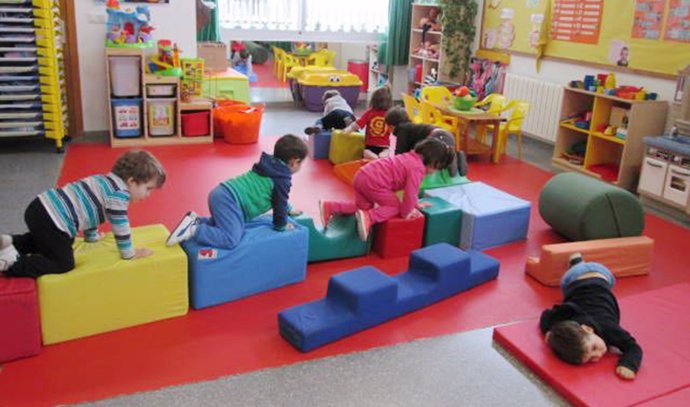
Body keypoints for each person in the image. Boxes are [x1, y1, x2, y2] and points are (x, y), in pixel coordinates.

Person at [0, 150, 166, 278]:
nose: (148, 195)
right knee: (63, 263)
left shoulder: (103, 180)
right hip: (53, 218)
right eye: (148, 188)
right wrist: (129, 253)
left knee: (51, 240)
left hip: (38, 207)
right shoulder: (119, 195)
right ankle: (12, 264)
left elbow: (89, 209)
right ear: (131, 181)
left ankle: (11, 241)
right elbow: (120, 226)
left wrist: (91, 237)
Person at [166, 134, 308, 249]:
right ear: (295, 161)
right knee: (231, 239)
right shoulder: (282, 179)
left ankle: (197, 220)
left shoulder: (271, 165)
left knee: (228, 224)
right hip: (230, 201)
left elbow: (279, 196)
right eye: (301, 163)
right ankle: (194, 229)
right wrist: (281, 225)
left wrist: (289, 209)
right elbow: (279, 203)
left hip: (223, 193)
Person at [318, 137, 455, 241]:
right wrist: (406, 212)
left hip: (362, 175)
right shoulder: (418, 169)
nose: (435, 172)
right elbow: (410, 194)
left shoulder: (410, 157)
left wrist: (416, 204)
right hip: (374, 182)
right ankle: (369, 217)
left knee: (362, 207)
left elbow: (411, 196)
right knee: (395, 207)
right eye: (437, 169)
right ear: (434, 162)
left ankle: (330, 207)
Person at [540, 253, 643, 380]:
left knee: (600, 283)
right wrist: (551, 332)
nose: (599, 354)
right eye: (591, 358)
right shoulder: (570, 321)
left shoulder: (609, 328)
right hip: (573, 285)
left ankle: (578, 263)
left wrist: (629, 365)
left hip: (595, 273)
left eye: (594, 347)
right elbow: (547, 315)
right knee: (590, 293)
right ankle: (577, 262)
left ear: (588, 329)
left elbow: (633, 347)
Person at [384, 106, 468, 177]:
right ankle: (457, 155)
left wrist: (392, 167)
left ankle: (452, 158)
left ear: (391, 126)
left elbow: (399, 153)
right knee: (435, 155)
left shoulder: (401, 130)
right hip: (446, 134)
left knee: (432, 159)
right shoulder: (410, 128)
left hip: (438, 137)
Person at [344, 86, 393, 159]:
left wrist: (347, 130)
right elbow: (395, 128)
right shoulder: (390, 114)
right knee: (386, 150)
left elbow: (357, 125)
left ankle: (374, 157)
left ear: (373, 101)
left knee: (365, 152)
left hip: (370, 145)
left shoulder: (369, 113)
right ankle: (384, 155)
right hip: (384, 145)